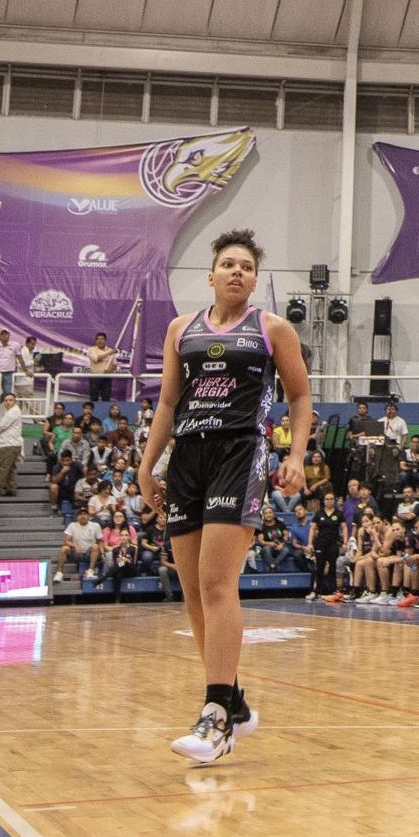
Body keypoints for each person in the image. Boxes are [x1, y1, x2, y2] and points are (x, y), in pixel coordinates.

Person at [138, 228, 312, 765]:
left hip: (242, 454)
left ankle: (215, 717)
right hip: (188, 458)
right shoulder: (179, 329)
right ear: (210, 275)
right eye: (228, 264)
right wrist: (147, 468)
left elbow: (301, 395)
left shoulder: (271, 328)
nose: (238, 272)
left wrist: (297, 456)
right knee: (193, 596)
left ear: (255, 280)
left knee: (217, 585)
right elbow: (168, 404)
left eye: (247, 267)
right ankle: (234, 702)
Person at [86, 332, 118, 404]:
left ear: (105, 340)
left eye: (102, 339)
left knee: (106, 399)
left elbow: (114, 364)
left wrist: (111, 369)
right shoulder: (91, 350)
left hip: (106, 377)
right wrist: (109, 353)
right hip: (95, 377)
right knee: (93, 399)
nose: (100, 341)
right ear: (95, 341)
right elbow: (97, 358)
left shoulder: (110, 350)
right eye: (98, 339)